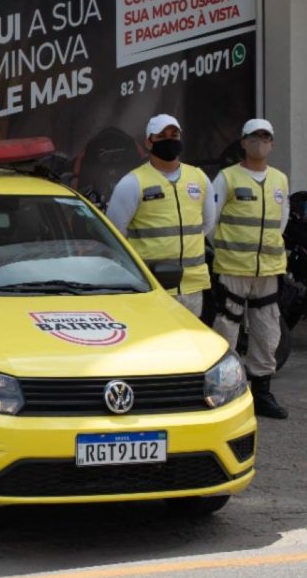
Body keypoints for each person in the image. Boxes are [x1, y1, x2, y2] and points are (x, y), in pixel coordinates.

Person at [206, 118, 290, 419]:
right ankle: (223, 391)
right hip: (233, 268)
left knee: (267, 332)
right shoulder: (227, 178)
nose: (260, 141)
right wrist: (228, 249)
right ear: (242, 142)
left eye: (266, 137)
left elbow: (281, 223)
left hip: (267, 271)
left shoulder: (280, 180)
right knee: (226, 328)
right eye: (254, 137)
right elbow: (209, 223)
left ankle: (262, 393)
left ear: (272, 143)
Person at [105, 114, 215, 315]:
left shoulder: (198, 177)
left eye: (174, 134)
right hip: (153, 286)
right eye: (162, 135)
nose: (169, 140)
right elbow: (115, 232)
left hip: (192, 286)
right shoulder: (133, 182)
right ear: (149, 142)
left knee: (189, 345)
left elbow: (207, 224)